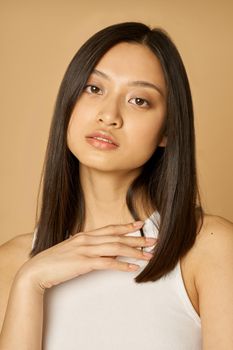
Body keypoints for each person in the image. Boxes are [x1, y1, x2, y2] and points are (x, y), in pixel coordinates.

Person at [0, 21, 232, 350]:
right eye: (94, 89)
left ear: (167, 131)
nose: (109, 115)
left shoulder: (209, 248)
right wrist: (29, 282)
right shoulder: (12, 264)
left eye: (139, 100)